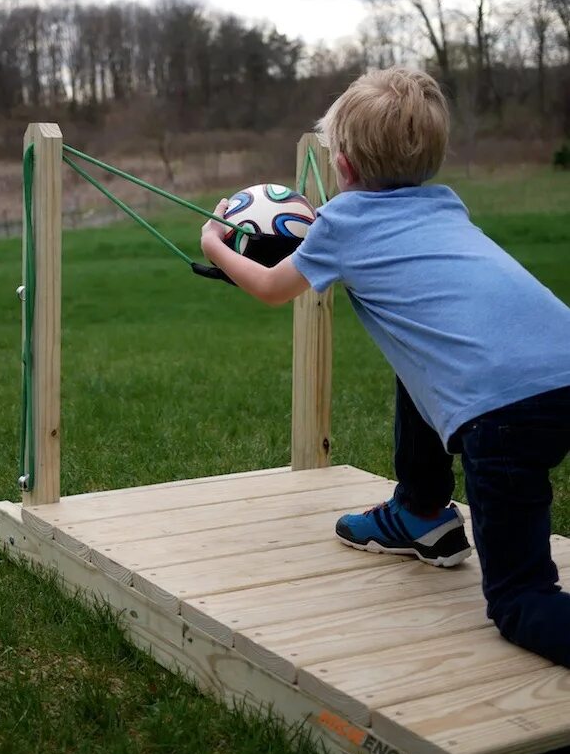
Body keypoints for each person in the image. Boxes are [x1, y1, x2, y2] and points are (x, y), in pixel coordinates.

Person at [200, 66, 570, 667]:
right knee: (421, 360)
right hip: (561, 365)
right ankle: (421, 514)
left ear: (342, 168)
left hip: (503, 414)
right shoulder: (446, 207)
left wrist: (215, 241)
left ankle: (434, 522)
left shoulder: (341, 225)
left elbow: (272, 287)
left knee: (521, 601)